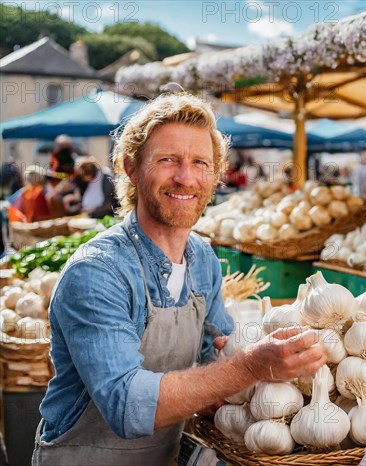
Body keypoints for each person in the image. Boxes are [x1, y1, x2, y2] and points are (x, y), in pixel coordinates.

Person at [32, 93, 327, 465]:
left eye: (200, 162)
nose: (186, 177)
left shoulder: (202, 259)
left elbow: (214, 357)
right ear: (131, 168)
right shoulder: (96, 272)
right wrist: (248, 366)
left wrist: (244, 369)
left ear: (215, 175)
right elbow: (126, 406)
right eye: (168, 159)